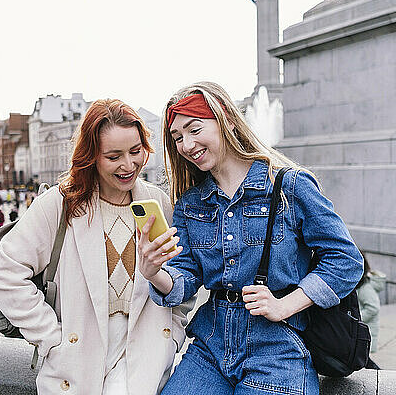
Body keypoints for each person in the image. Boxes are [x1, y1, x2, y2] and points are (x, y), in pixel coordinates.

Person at [139, 82, 363, 395]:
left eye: (194, 129)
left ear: (227, 119)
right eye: (177, 137)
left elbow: (345, 260)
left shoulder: (289, 186)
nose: (186, 145)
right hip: (209, 348)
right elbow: (186, 278)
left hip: (278, 349)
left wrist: (285, 305)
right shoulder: (191, 203)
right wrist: (154, 272)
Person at [0, 99, 194, 395]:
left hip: (144, 351)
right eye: (113, 156)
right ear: (91, 156)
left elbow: (182, 279)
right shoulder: (59, 204)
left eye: (136, 151)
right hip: (79, 352)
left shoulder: (158, 203)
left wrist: (171, 335)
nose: (128, 165)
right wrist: (51, 337)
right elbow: (4, 275)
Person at [356, 254, 386, 354]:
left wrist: (356, 319)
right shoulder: (362, 286)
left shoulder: (365, 287)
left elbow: (373, 308)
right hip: (363, 337)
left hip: (366, 337)